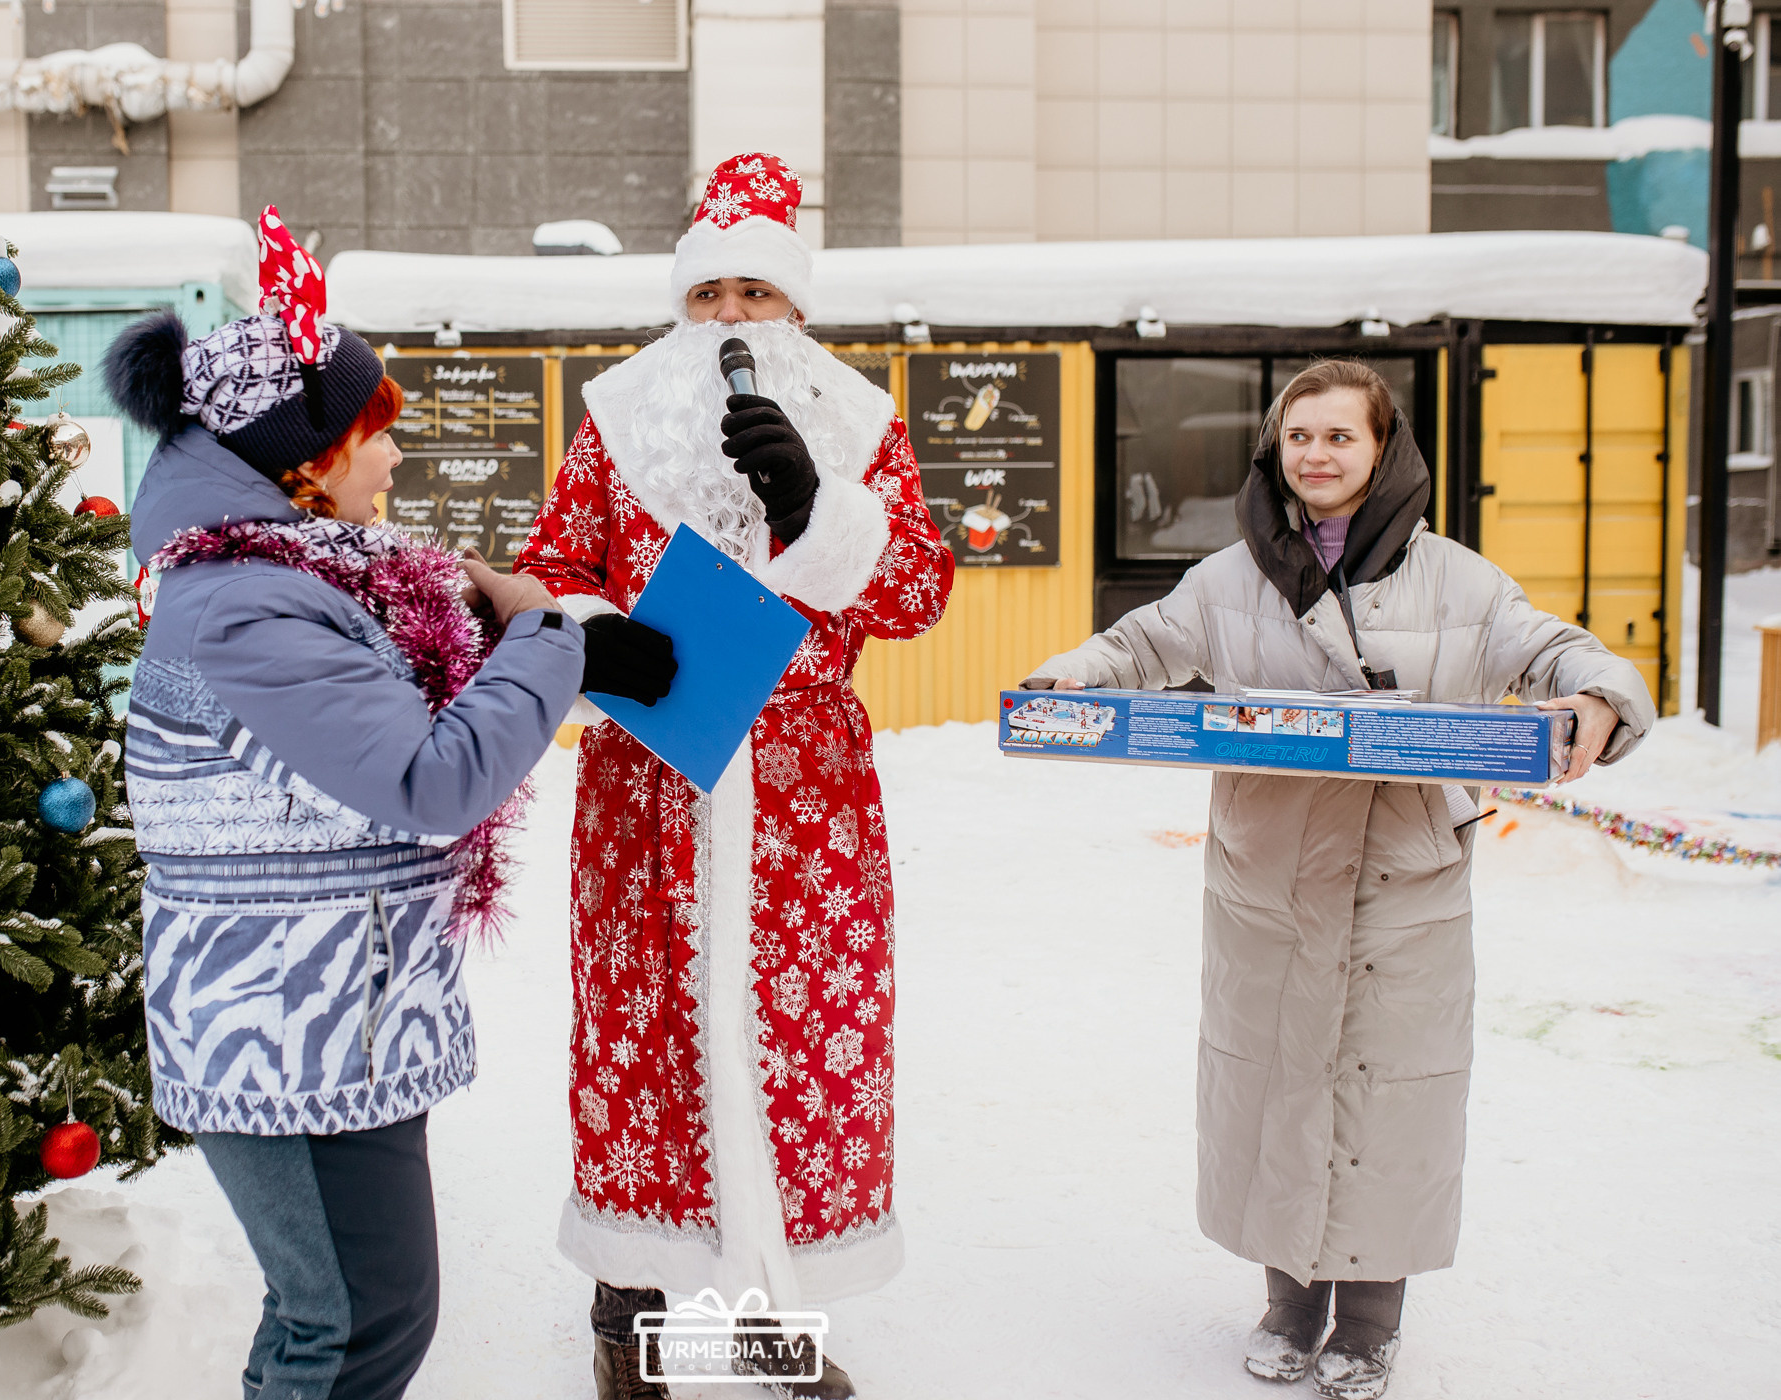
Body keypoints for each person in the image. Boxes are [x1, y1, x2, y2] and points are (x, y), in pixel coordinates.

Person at [103, 209, 662, 1400]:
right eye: (374, 431)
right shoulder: (242, 608)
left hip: (329, 1012)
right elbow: (427, 780)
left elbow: (384, 692)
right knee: (352, 1326)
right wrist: (548, 635)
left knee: (341, 1316)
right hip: (284, 1031)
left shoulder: (286, 578)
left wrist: (546, 637)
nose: (396, 457)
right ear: (304, 460)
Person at [1025, 360, 1655, 1400]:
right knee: (1275, 1085)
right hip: (1268, 882)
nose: (1315, 454)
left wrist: (1598, 696)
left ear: (1383, 446)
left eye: (1339, 435)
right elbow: (1144, 644)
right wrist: (1074, 676)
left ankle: (1369, 1318)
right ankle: (1288, 1301)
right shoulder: (1229, 577)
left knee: (1385, 1097)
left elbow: (1558, 651)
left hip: (1403, 887)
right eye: (1298, 435)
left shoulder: (1460, 581)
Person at [515, 153, 955, 1400]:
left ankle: (767, 1313)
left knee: (799, 1042)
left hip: (805, 790)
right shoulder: (615, 417)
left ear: (796, 305)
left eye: (755, 291)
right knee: (642, 1031)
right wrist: (598, 630)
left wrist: (823, 510)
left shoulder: (860, 422)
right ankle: (629, 1304)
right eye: (709, 293)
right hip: (649, 771)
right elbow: (551, 564)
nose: (730, 316)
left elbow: (919, 590)